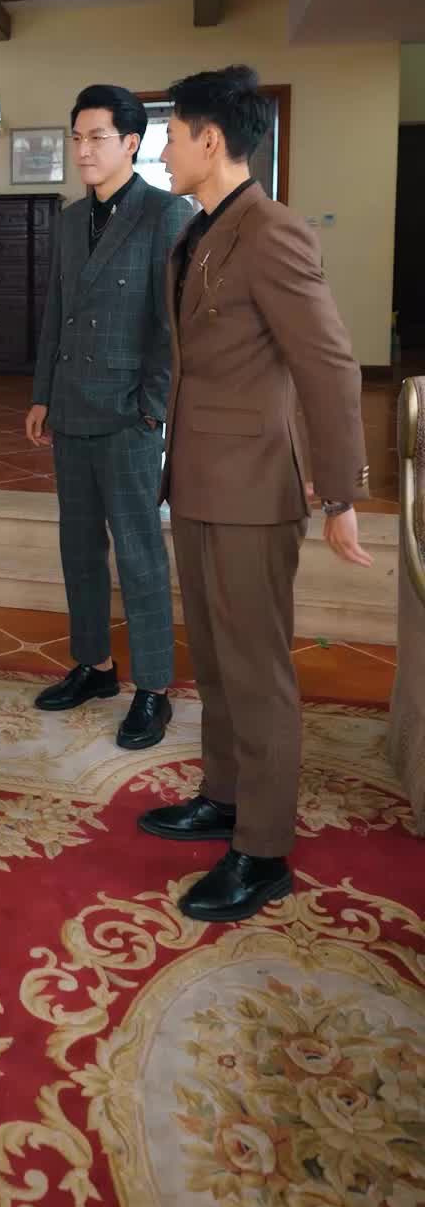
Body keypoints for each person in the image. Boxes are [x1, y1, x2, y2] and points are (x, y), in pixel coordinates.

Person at [140, 65, 371, 923]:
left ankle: (264, 849)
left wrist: (341, 492)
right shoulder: (199, 231)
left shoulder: (273, 233)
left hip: (254, 487)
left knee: (257, 669)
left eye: (171, 136)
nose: (164, 152)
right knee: (215, 658)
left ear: (211, 140)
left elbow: (329, 364)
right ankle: (225, 795)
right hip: (200, 478)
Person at [27, 86, 192, 747]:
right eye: (77, 137)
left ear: (131, 142)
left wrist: (151, 409)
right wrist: (42, 393)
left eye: (97, 137)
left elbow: (171, 325)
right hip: (70, 408)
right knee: (79, 548)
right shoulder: (70, 219)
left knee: (139, 552)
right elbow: (56, 312)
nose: (84, 150)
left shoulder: (166, 213)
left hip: (128, 417)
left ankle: (153, 688)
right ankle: (94, 666)